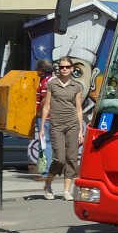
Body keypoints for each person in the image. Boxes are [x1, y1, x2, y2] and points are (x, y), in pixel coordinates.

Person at [39, 56, 85, 201]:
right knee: (59, 159)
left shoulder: (77, 86)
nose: (64, 69)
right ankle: (48, 183)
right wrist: (42, 127)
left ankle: (66, 191)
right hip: (56, 124)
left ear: (72, 69)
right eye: (61, 67)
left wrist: (80, 130)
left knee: (72, 158)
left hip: (72, 124)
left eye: (67, 67)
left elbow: (79, 109)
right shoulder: (52, 84)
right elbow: (46, 107)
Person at [34, 59, 55, 195]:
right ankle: (46, 171)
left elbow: (43, 101)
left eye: (38, 69)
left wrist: (39, 113)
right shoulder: (53, 80)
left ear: (41, 70)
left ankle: (46, 172)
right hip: (50, 117)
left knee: (44, 143)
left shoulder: (45, 82)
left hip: (45, 118)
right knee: (47, 144)